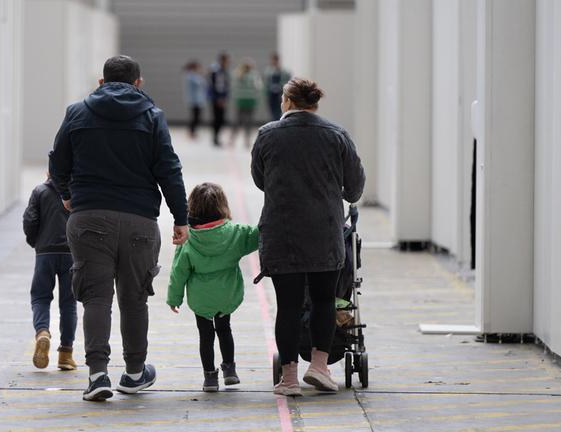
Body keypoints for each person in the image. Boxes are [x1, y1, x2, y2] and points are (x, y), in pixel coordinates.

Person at [50, 55, 189, 402]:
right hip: (139, 221)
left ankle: (98, 375)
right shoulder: (152, 116)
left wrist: (67, 195)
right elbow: (169, 169)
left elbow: (58, 162)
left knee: (96, 298)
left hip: (88, 217)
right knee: (134, 299)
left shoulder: (77, 113)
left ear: (101, 82)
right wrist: (181, 218)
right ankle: (135, 373)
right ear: (138, 83)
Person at [251, 78, 365, 396]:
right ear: (314, 103)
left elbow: (260, 180)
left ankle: (288, 379)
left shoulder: (267, 134)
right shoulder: (337, 135)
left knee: (288, 305)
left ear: (288, 101)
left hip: (281, 233)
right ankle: (319, 367)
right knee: (324, 300)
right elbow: (355, 189)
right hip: (324, 233)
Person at [167, 183, 258, 392]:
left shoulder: (188, 238)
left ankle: (209, 377)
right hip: (227, 294)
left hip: (201, 298)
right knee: (225, 329)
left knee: (205, 335)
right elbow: (258, 235)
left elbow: (178, 272)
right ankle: (230, 369)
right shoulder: (235, 233)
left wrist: (174, 298)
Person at [22, 173, 78, 371]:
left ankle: (42, 332)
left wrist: (36, 243)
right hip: (71, 253)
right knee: (69, 303)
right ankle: (66, 354)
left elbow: (29, 220)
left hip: (45, 253)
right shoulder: (77, 192)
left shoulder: (39, 192)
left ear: (49, 172)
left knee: (40, 297)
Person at [230, 58, 262, 148]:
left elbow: (233, 87)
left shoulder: (237, 74)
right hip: (250, 100)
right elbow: (259, 87)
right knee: (249, 121)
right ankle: (247, 140)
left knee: (237, 120)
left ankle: (232, 139)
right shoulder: (254, 75)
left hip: (240, 100)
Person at [209, 52, 231, 147]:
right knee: (217, 118)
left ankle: (217, 137)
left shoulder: (225, 71)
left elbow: (226, 85)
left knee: (221, 119)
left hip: (222, 98)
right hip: (216, 98)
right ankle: (215, 138)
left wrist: (225, 98)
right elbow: (215, 86)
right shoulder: (216, 71)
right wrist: (218, 98)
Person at [264, 53, 291, 121]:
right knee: (272, 110)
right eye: (272, 60)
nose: (274, 62)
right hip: (271, 94)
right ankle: (274, 121)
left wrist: (280, 86)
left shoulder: (283, 71)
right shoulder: (268, 71)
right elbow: (266, 82)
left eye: (275, 60)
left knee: (279, 110)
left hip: (279, 93)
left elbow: (287, 78)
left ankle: (277, 121)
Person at [183, 60, 207, 139]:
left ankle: (192, 131)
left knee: (196, 117)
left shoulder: (194, 75)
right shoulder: (191, 76)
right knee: (195, 117)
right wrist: (202, 75)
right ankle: (191, 131)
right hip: (194, 100)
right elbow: (200, 82)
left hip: (198, 100)